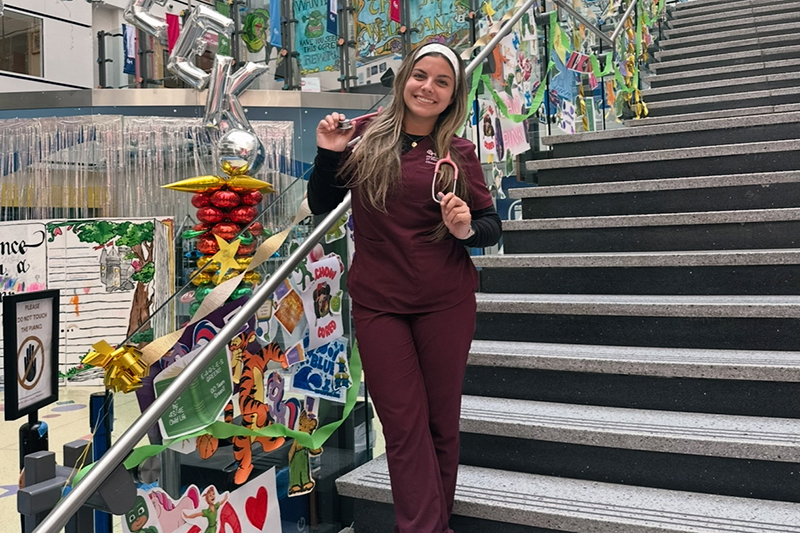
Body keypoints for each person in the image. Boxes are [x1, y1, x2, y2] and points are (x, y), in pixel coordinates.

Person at [307, 42, 502, 533]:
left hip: (446, 302)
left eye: (442, 82)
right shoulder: (365, 137)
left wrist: (464, 230)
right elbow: (321, 203)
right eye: (421, 75)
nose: (428, 88)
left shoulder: (458, 152)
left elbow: (489, 225)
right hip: (379, 304)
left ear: (453, 96)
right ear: (403, 80)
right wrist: (328, 155)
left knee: (440, 423)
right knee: (401, 426)